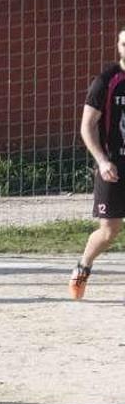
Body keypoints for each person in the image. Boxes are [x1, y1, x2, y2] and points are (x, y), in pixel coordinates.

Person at [69, 26, 125, 300]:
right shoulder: (106, 81)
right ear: (119, 47)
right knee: (109, 231)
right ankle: (83, 266)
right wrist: (102, 161)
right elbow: (86, 127)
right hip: (113, 165)